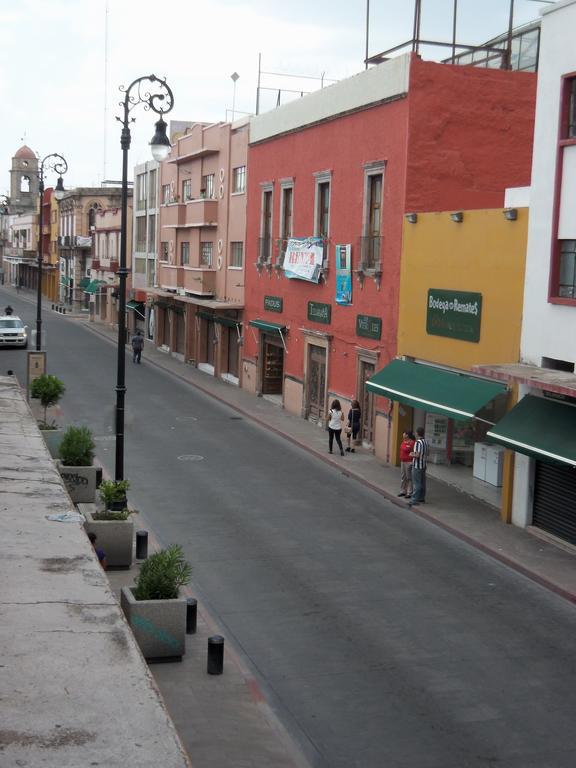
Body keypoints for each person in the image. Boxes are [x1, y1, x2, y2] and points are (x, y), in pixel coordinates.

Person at [409, 426, 429, 507]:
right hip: (423, 465)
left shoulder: (418, 443)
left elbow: (417, 455)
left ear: (417, 433)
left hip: (417, 465)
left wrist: (411, 454)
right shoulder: (426, 442)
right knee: (422, 482)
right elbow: (428, 453)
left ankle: (414, 499)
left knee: (416, 483)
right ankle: (422, 498)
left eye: (415, 432)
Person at [398, 430, 415, 497]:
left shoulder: (412, 442)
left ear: (407, 435)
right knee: (403, 477)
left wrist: (405, 447)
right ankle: (402, 491)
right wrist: (405, 446)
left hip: (408, 462)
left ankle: (409, 492)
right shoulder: (404, 442)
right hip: (403, 461)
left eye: (404, 434)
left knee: (409, 477)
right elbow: (403, 448)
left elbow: (406, 449)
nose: (403, 435)